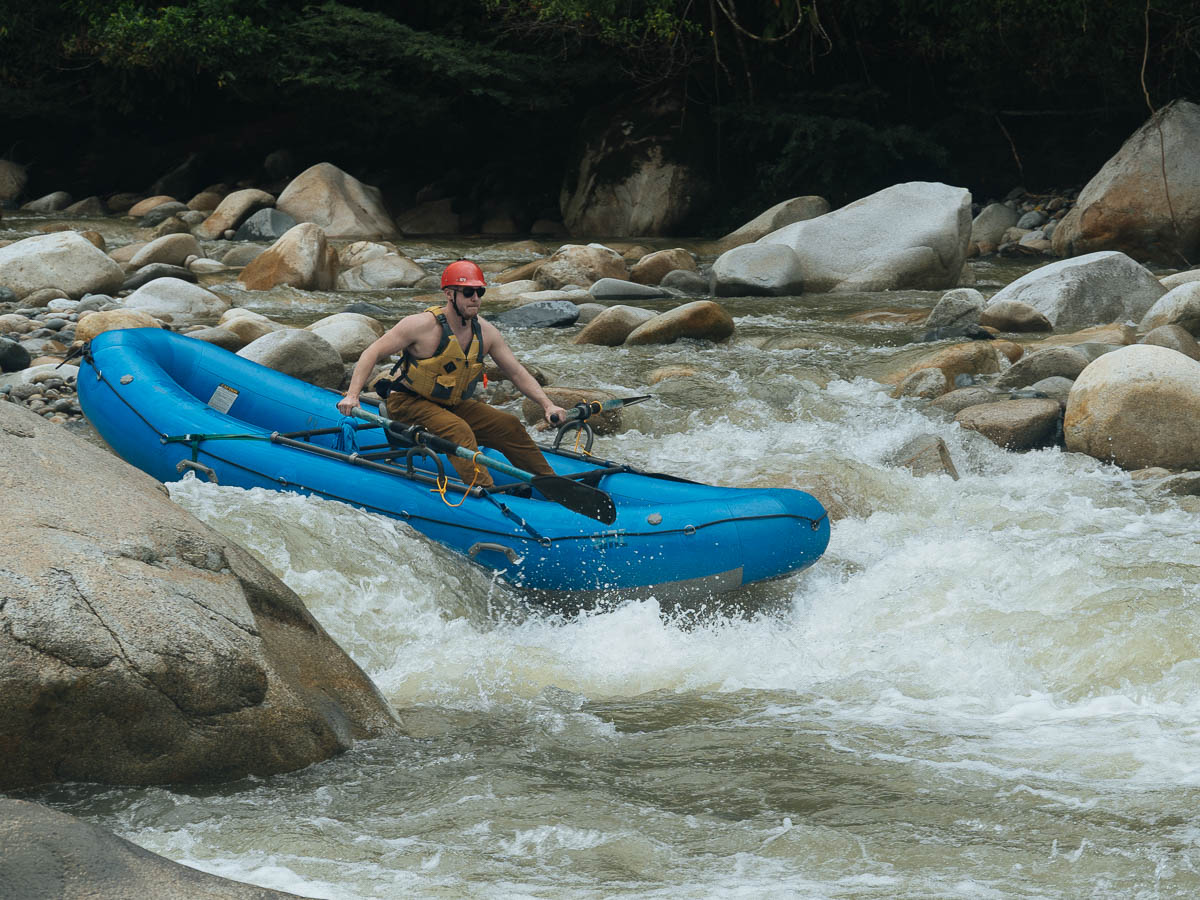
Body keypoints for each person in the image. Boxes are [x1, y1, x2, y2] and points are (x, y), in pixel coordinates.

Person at [336, 259, 567, 488]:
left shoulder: (486, 332)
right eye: (468, 292)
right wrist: (353, 395)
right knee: (458, 430)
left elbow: (516, 372)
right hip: (408, 403)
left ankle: (555, 487)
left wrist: (547, 405)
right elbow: (372, 352)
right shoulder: (420, 326)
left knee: (509, 424)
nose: (475, 298)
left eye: (480, 291)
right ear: (449, 294)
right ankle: (485, 492)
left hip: (451, 404)